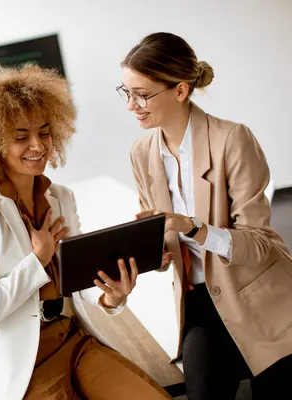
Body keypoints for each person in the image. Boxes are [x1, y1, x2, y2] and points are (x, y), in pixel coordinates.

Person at [0, 62, 172, 400]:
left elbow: (80, 284)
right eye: (21, 136)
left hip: (76, 343)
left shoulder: (61, 198)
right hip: (24, 366)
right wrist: (37, 261)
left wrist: (111, 296)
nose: (38, 146)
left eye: (44, 132)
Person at [121, 32, 292, 400]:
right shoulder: (141, 153)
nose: (131, 105)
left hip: (261, 297)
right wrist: (157, 250)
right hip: (200, 301)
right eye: (126, 92)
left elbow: (259, 245)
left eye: (142, 94)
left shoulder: (233, 139)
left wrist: (191, 227)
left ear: (180, 91)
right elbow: (168, 245)